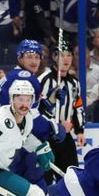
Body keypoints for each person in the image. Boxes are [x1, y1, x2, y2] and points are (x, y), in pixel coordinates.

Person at [38, 45, 85, 181]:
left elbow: (78, 106)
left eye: (69, 55)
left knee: (70, 176)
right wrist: (57, 124)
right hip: (46, 137)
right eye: (62, 55)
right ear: (54, 57)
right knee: (44, 177)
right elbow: (37, 110)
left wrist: (80, 130)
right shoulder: (44, 80)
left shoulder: (74, 83)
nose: (66, 59)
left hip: (66, 136)